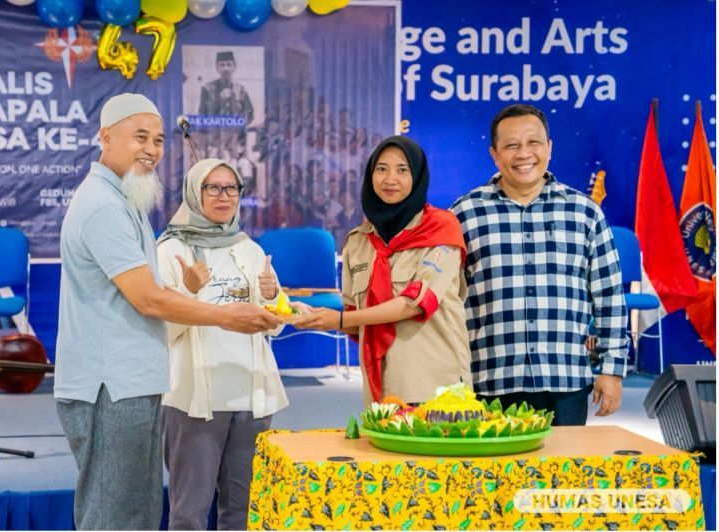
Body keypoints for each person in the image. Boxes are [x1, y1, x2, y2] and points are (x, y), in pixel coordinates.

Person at [54, 93, 279, 531]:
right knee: (113, 517)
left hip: (132, 383)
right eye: (140, 137)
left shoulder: (125, 201)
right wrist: (227, 315)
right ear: (105, 136)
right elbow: (149, 299)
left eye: (158, 140)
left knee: (136, 514)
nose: (152, 150)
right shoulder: (102, 205)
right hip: (109, 387)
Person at [451, 103, 628, 426]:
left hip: (564, 379)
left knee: (562, 476)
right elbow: (448, 302)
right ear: (494, 154)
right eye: (511, 145)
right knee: (495, 477)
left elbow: (610, 298)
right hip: (490, 379)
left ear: (549, 148)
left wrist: (612, 369)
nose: (523, 154)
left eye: (533, 143)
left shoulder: (583, 213)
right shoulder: (464, 214)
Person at [156, 158, 289, 530]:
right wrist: (187, 290)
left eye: (231, 188)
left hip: (251, 396)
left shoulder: (249, 248)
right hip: (197, 398)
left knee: (243, 511)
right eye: (212, 187)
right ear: (194, 193)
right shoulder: (170, 250)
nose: (223, 196)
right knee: (189, 513)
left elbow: (276, 322)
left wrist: (273, 295)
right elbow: (158, 331)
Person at [295, 136, 471, 405]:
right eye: (381, 169)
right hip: (381, 390)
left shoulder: (442, 229)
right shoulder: (357, 241)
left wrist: (340, 320)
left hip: (436, 387)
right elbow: (356, 318)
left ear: (418, 176)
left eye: (402, 170)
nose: (390, 178)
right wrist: (311, 315)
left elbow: (414, 303)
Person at [198, 51, 254, 125]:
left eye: (229, 64)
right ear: (217, 68)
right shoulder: (207, 89)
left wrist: (239, 124)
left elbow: (249, 112)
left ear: (234, 67)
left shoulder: (240, 90)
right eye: (222, 65)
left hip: (235, 134)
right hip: (215, 133)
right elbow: (202, 114)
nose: (225, 68)